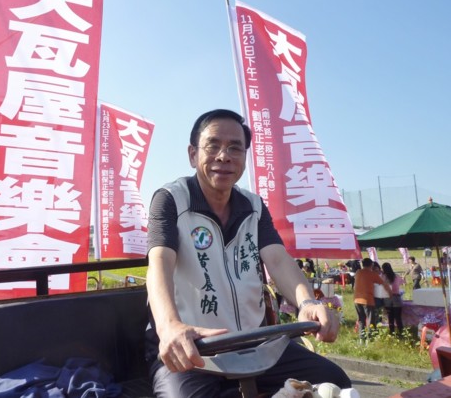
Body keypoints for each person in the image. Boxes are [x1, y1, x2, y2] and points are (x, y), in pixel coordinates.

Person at [145, 109, 351, 397]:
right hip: (193, 349)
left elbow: (277, 259)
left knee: (334, 382)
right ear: (193, 154)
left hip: (254, 344)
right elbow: (159, 262)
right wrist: (169, 327)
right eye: (213, 146)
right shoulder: (171, 199)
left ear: (244, 156)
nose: (224, 156)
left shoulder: (253, 206)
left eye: (235, 148)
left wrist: (306, 302)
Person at [353, 258, 392, 341]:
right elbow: (384, 284)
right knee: (370, 320)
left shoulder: (358, 272)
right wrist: (390, 294)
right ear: (371, 265)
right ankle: (370, 338)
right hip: (367, 300)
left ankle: (361, 339)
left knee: (361, 319)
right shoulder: (372, 274)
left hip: (356, 299)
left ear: (363, 264)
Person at [381, 262, 405, 334]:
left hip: (387, 299)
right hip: (397, 298)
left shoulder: (383, 277)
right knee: (398, 317)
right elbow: (402, 283)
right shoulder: (396, 276)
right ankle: (401, 332)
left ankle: (392, 332)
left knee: (390, 317)